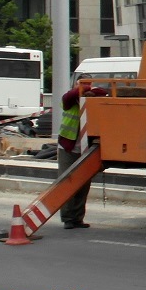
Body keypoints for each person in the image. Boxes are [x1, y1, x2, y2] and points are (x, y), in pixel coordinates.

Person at [57, 82, 106, 229]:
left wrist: (91, 91)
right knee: (67, 182)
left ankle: (77, 218)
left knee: (83, 185)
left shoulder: (92, 101)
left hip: (84, 149)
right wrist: (83, 89)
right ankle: (67, 218)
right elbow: (68, 97)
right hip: (68, 147)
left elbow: (104, 92)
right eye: (82, 85)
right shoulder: (70, 100)